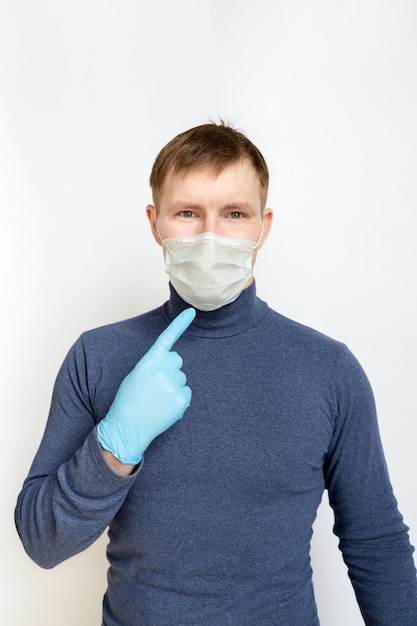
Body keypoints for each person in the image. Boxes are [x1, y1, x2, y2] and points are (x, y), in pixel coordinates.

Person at [15, 122, 417, 625]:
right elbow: (40, 542)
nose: (210, 235)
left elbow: (376, 544)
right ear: (155, 222)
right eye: (187, 212)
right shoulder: (98, 356)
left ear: (263, 226)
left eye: (234, 214)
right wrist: (114, 449)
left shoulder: (329, 370)